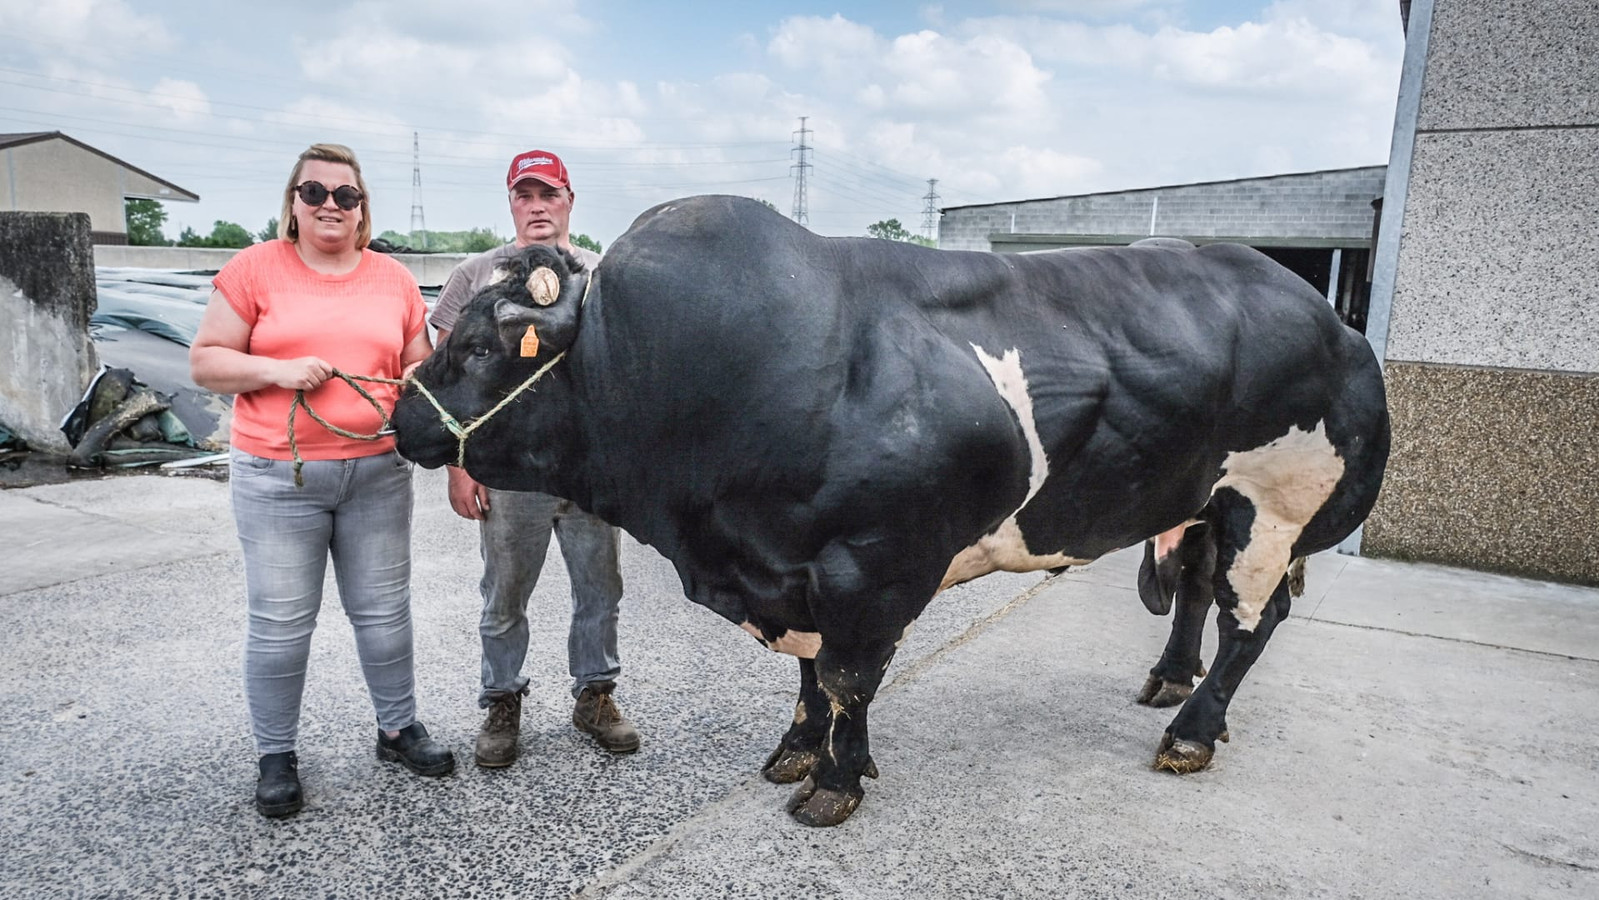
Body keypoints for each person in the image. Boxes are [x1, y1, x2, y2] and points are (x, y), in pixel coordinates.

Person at [191, 143, 455, 819]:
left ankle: (397, 729)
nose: (331, 206)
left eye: (346, 195)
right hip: (280, 477)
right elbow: (207, 363)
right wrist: (277, 371)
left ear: (363, 209)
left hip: (376, 474)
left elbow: (417, 371)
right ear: (293, 202)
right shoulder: (253, 269)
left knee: (384, 614)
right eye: (316, 193)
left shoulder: (393, 280)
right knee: (281, 626)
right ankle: (276, 755)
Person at [428, 149, 639, 767]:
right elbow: (446, 377)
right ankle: (502, 703)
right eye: (525, 195)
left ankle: (595, 696)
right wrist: (460, 466)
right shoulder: (476, 275)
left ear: (570, 201)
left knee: (601, 590)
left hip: (587, 471)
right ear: (512, 203)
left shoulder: (600, 274)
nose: (537, 206)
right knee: (505, 595)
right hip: (511, 471)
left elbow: (626, 377)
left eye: (549, 194)